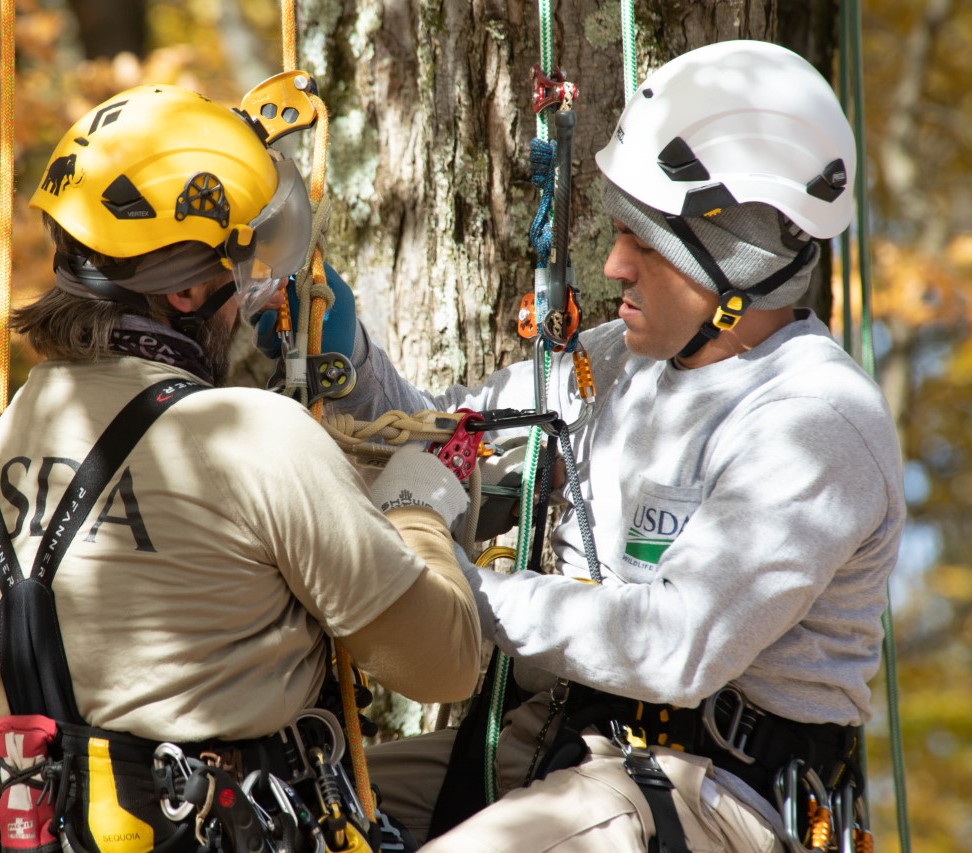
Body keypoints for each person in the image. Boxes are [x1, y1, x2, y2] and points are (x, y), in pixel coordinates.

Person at [302, 40, 905, 851]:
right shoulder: (617, 362)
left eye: (647, 245)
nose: (615, 263)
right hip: (567, 749)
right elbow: (445, 438)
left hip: (716, 795)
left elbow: (675, 645)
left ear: (739, 264)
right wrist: (346, 362)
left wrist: (450, 593)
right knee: (300, 806)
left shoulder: (815, 423)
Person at [0, 84, 481, 853]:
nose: (259, 288)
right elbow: (445, 664)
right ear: (187, 289)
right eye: (247, 263)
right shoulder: (246, 436)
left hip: (68, 826)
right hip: (229, 827)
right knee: (536, 774)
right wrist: (415, 508)